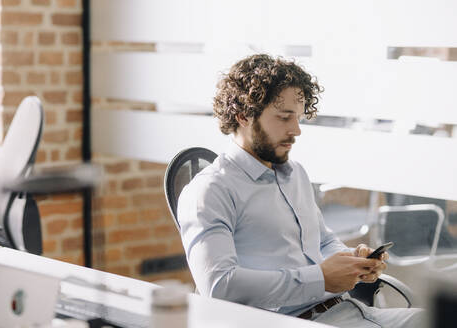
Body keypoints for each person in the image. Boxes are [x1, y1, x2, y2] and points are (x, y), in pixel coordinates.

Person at [177, 54, 424, 327]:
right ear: (243, 115)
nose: (296, 130)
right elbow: (219, 285)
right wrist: (320, 278)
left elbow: (322, 241)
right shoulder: (209, 191)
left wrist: (354, 261)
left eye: (298, 118)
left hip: (348, 311)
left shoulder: (295, 174)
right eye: (284, 118)